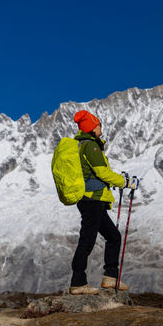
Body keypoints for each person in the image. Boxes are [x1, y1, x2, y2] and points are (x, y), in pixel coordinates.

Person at [69, 110, 132, 295]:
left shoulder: (85, 145)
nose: (101, 128)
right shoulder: (90, 146)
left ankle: (110, 279)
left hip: (93, 200)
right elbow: (102, 172)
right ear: (91, 127)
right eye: (98, 125)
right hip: (92, 200)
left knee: (113, 236)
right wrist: (125, 182)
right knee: (87, 240)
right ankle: (78, 282)